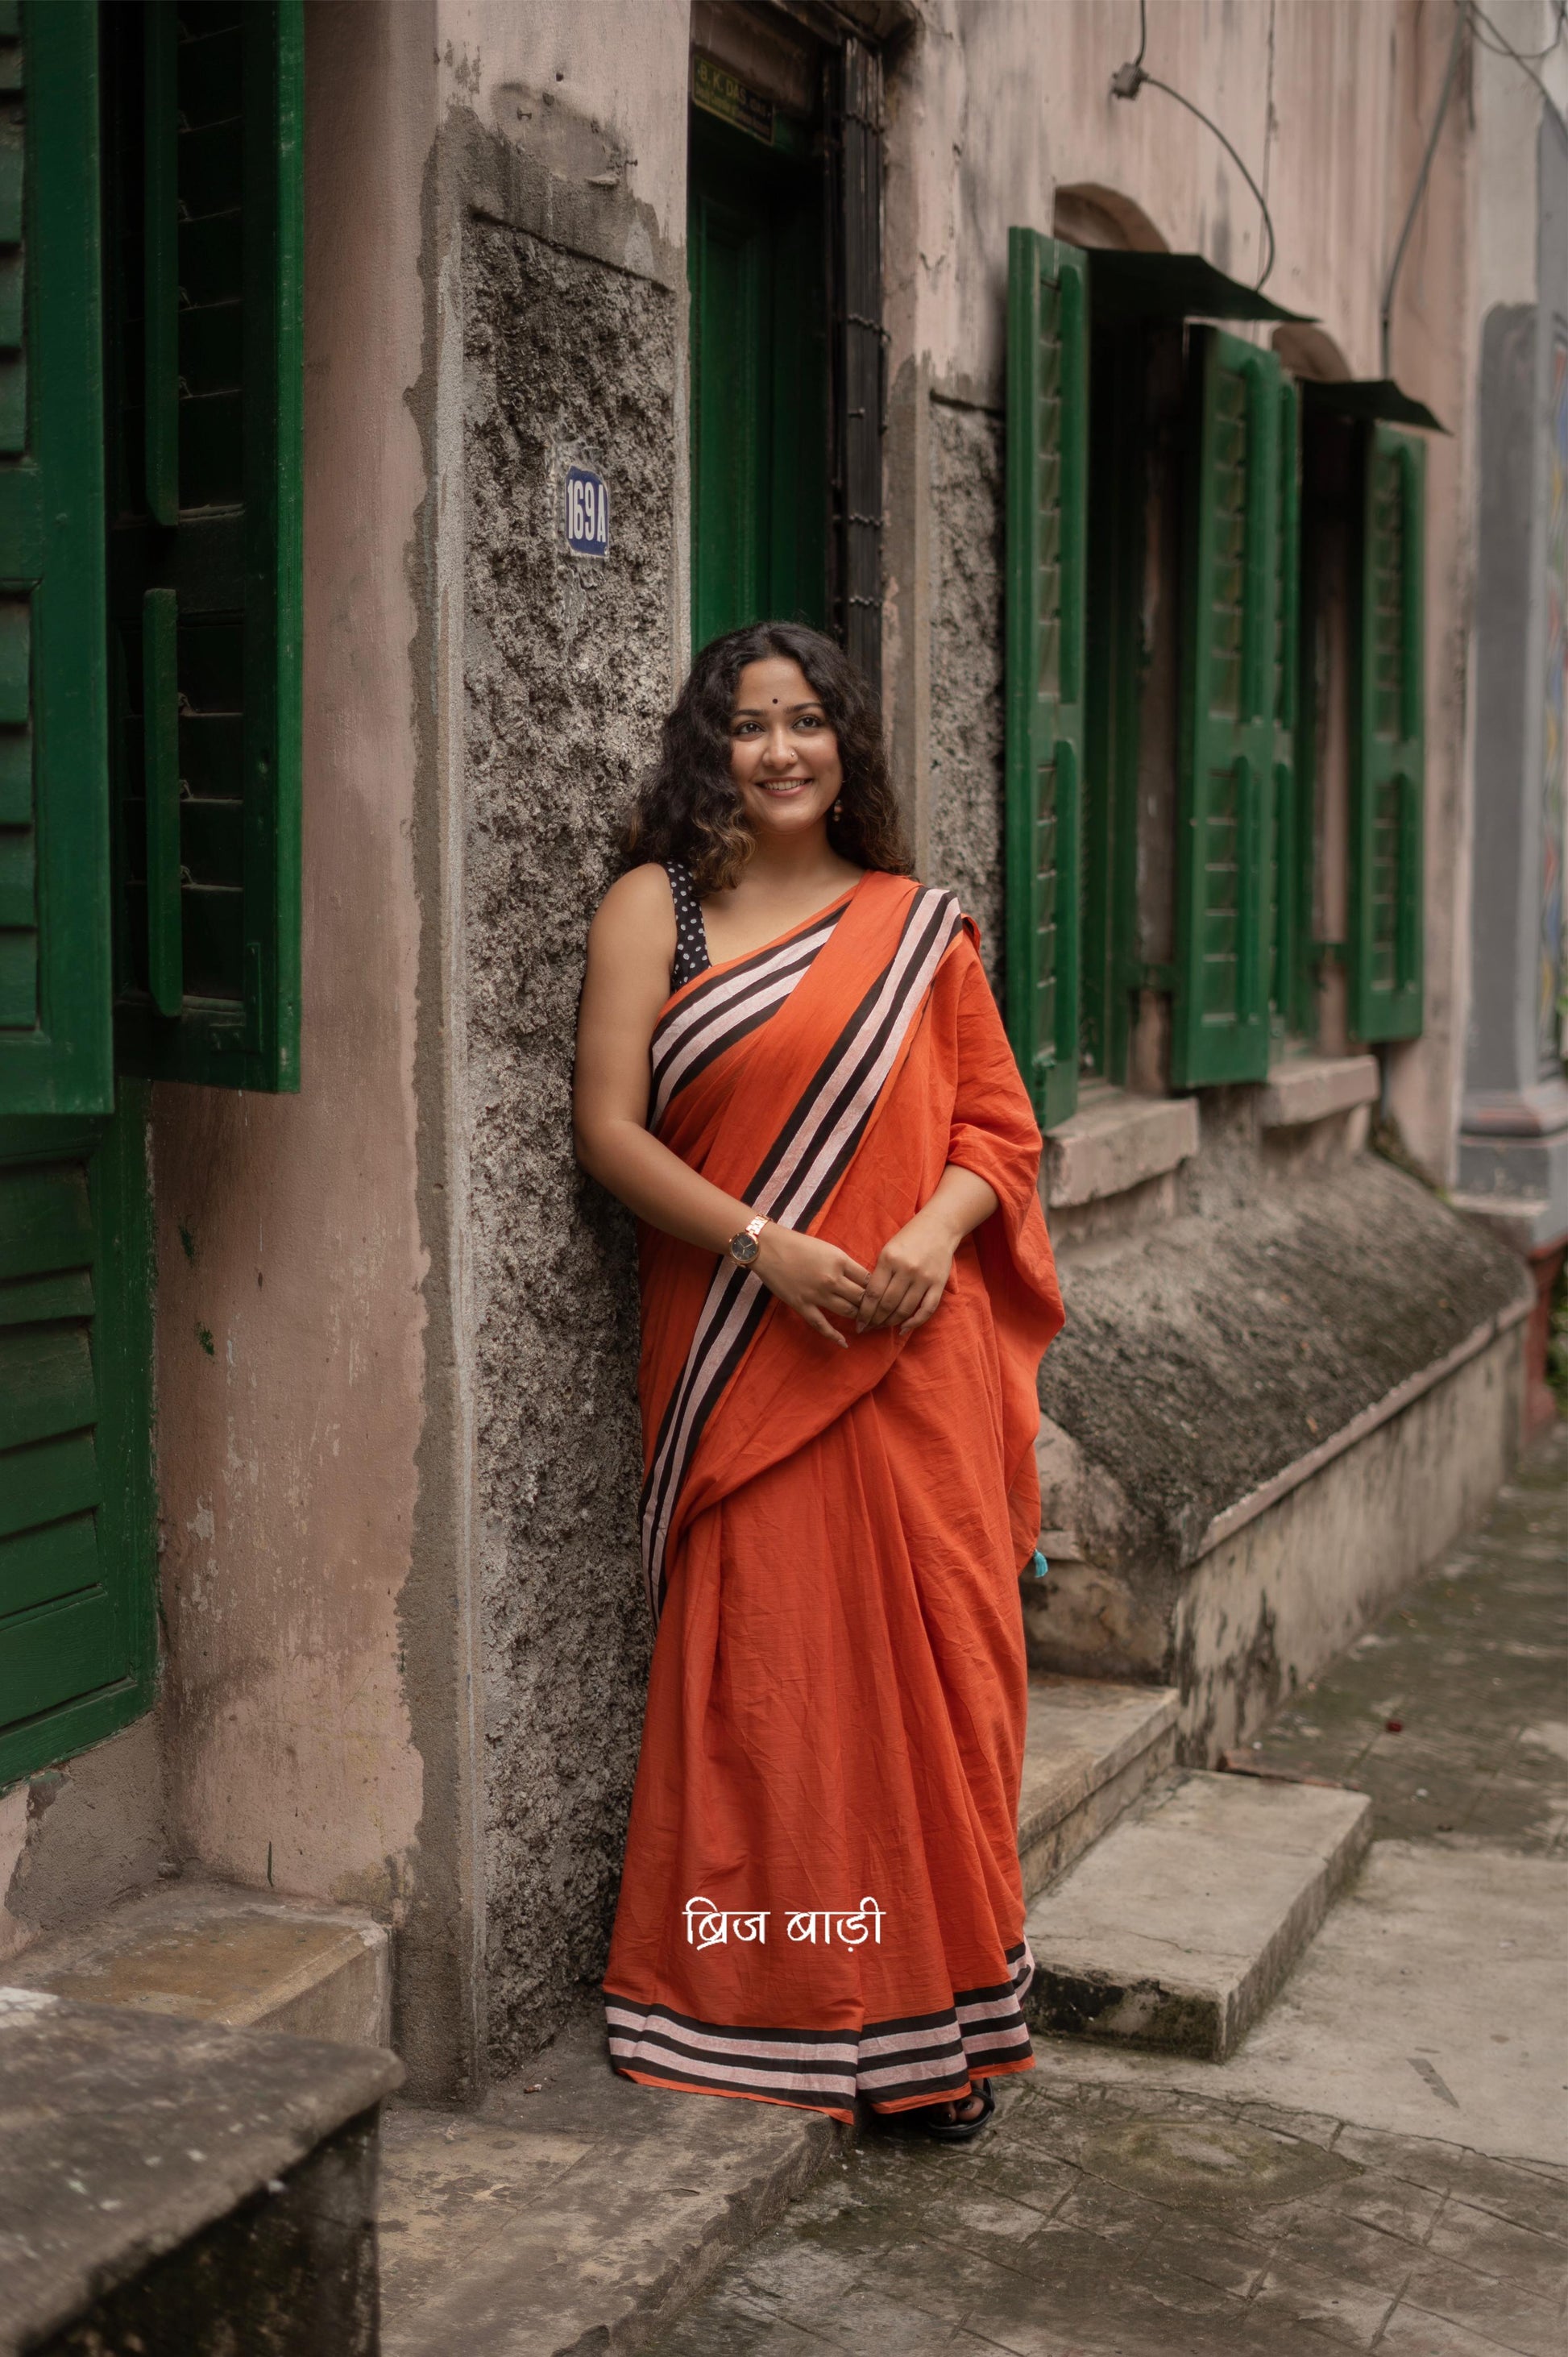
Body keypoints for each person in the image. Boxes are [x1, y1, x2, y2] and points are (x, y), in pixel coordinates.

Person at [573, 620, 1063, 2139]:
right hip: (749, 1358)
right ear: (706, 747)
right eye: (747, 724)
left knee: (939, 1694)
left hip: (912, 1367)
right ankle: (767, 1999)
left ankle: (934, 2027)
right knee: (774, 1694)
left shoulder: (919, 926)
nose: (780, 750)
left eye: (807, 721)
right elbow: (609, 1132)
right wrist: (766, 1249)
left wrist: (930, 1231)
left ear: (847, 742)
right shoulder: (659, 911)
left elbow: (1001, 1131)